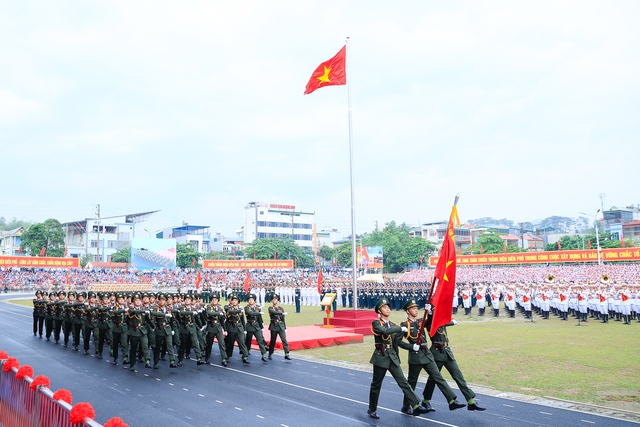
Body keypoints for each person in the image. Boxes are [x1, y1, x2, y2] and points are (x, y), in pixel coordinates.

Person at [397, 299, 466, 414]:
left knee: (438, 377)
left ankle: (452, 401)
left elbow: (430, 323)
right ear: (408, 311)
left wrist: (429, 313)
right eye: (413, 309)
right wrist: (411, 346)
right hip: (415, 357)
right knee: (412, 383)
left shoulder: (420, 321)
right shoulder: (405, 324)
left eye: (416, 308)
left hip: (427, 355)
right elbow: (398, 342)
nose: (416, 310)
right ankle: (406, 406)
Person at [367, 298, 429, 419]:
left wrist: (412, 347)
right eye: (385, 307)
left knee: (403, 382)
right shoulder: (377, 323)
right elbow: (384, 331)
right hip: (381, 357)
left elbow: (398, 343)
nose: (388, 309)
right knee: (376, 385)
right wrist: (400, 329)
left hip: (392, 357)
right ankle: (372, 408)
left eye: (388, 307)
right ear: (379, 311)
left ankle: (415, 404)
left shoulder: (394, 325)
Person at [423, 310, 486, 412]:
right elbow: (438, 322)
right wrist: (430, 313)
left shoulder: (441, 322)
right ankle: (425, 401)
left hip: (447, 352)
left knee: (459, 376)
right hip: (437, 354)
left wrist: (451, 321)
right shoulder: (431, 324)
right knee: (433, 379)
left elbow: (447, 322)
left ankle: (471, 402)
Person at [224, 294, 250, 364]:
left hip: (239, 327)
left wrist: (244, 329)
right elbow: (231, 312)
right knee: (231, 343)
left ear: (238, 301)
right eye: (233, 300)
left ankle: (245, 356)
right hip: (231, 327)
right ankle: (228, 356)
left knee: (242, 342)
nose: (234, 301)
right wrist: (239, 310)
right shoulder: (229, 308)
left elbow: (242, 320)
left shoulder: (240, 309)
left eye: (236, 300)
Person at [203, 293, 228, 366]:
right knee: (209, 343)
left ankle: (224, 359)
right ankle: (207, 357)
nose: (214, 301)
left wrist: (225, 329)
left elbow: (222, 319)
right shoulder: (208, 307)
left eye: (216, 300)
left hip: (218, 327)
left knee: (222, 343)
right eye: (213, 300)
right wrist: (218, 313)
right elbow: (209, 313)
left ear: (218, 300)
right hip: (211, 326)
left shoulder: (220, 307)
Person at [244, 293, 268, 362]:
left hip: (256, 326)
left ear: (254, 300)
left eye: (252, 299)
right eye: (249, 300)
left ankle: (263, 354)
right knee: (248, 341)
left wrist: (261, 326)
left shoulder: (258, 307)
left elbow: (259, 318)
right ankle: (245, 355)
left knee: (260, 340)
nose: (250, 301)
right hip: (249, 325)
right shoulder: (246, 308)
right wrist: (259, 313)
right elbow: (251, 313)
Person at [267, 293, 291, 360]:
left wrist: (285, 327)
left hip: (281, 326)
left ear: (277, 300)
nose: (274, 300)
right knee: (273, 341)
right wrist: (281, 313)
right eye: (273, 299)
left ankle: (287, 354)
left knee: (284, 340)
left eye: (275, 299)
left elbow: (283, 319)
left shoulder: (281, 308)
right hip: (274, 326)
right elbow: (274, 312)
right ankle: (270, 353)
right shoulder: (270, 308)